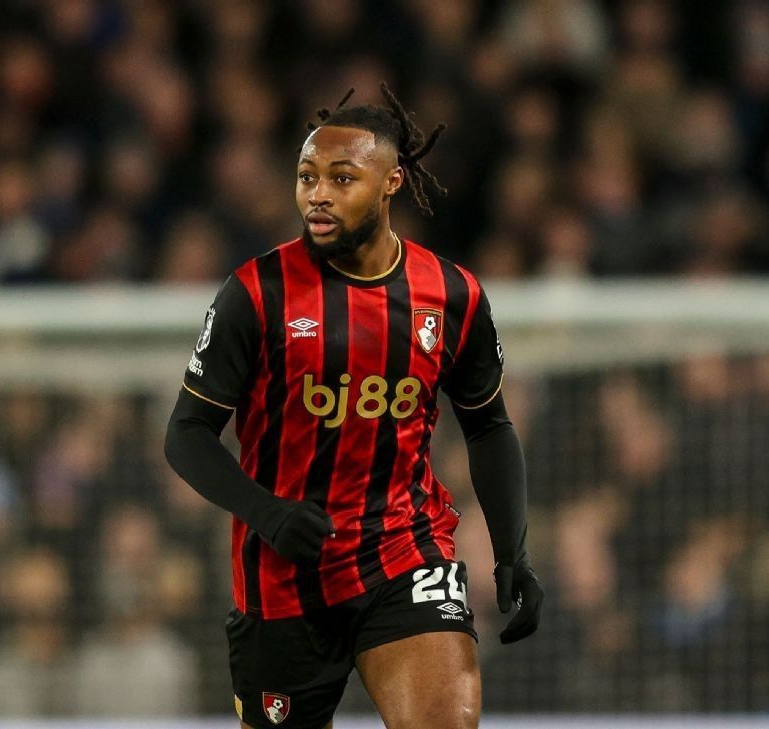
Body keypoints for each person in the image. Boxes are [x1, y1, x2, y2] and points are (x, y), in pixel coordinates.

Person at [164, 84, 544, 729]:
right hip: (284, 571)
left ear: (392, 182)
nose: (318, 194)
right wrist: (268, 513)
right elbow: (187, 432)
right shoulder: (256, 293)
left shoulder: (451, 294)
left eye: (342, 178)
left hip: (405, 549)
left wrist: (513, 551)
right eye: (307, 176)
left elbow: (489, 426)